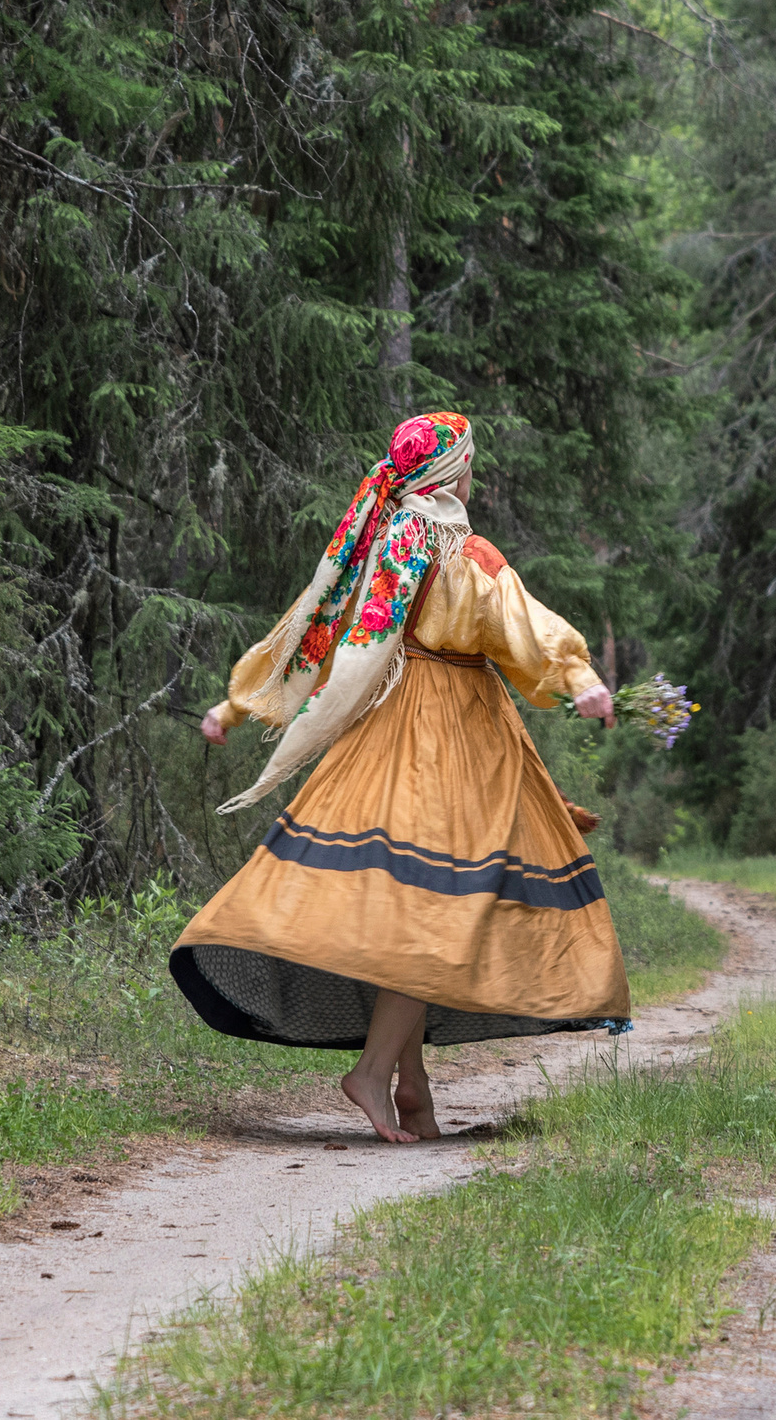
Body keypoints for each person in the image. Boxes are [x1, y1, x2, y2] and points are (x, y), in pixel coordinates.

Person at [169, 411, 629, 1144]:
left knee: (403, 905)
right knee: (440, 908)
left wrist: (236, 703)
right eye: (469, 462)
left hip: (385, 726)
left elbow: (316, 630)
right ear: (452, 472)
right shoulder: (462, 550)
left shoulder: (378, 542)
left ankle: (412, 1087)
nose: (473, 473)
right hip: (452, 731)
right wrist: (580, 680)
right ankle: (373, 1072)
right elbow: (522, 626)